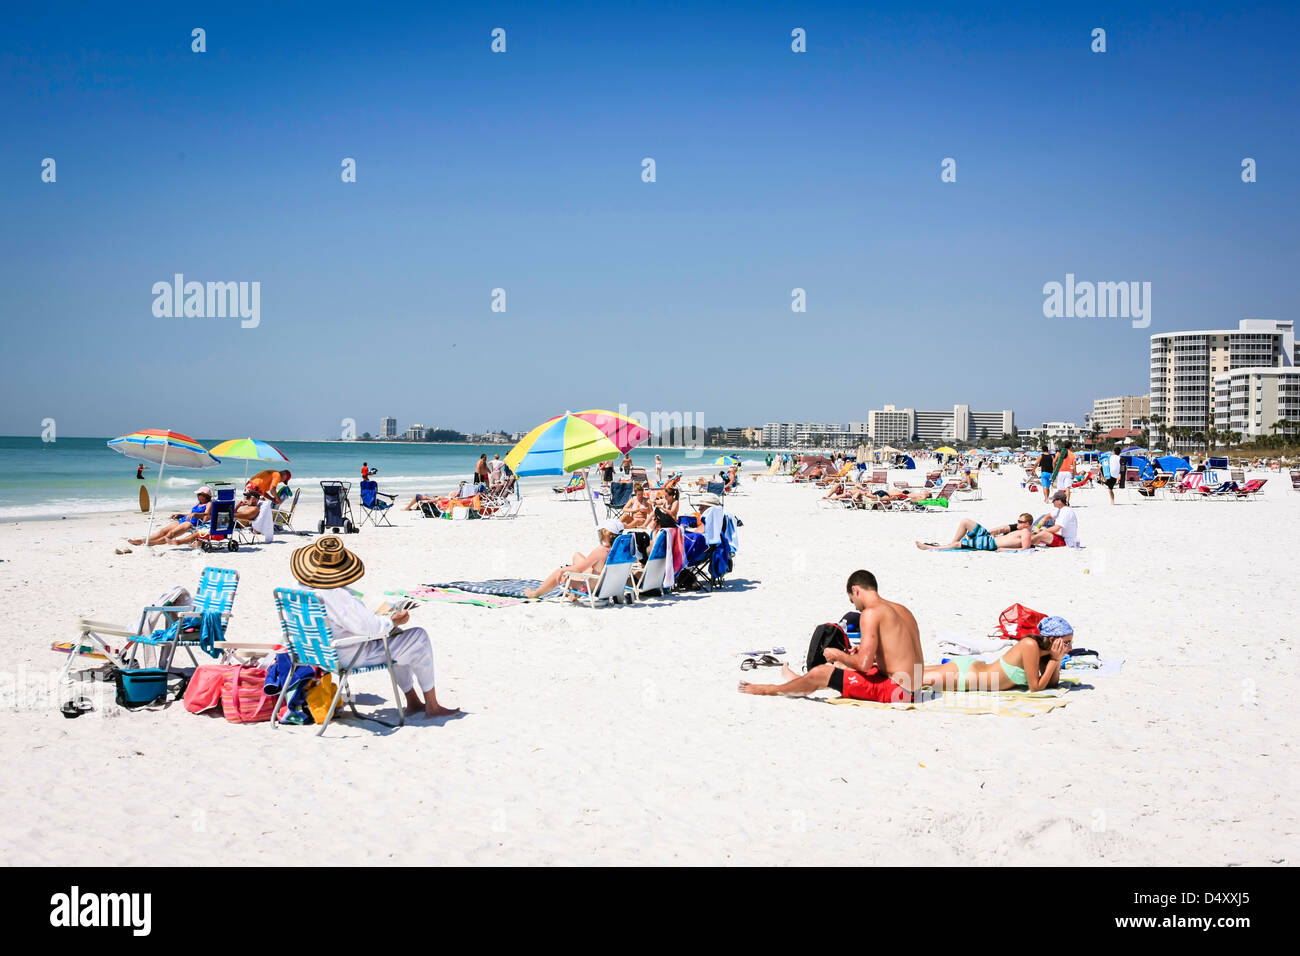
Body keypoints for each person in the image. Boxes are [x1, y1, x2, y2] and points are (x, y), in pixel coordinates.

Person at [290, 536, 458, 719]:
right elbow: (369, 628)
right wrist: (393, 620)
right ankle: (432, 706)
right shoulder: (336, 594)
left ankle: (413, 702)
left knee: (398, 639)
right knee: (418, 637)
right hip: (348, 655)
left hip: (314, 652)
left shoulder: (299, 589)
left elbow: (351, 621)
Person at [739, 570, 921, 703]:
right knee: (841, 668)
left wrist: (837, 653)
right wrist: (870, 654)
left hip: (899, 691)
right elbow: (899, 651)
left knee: (823, 671)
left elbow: (863, 666)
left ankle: (771, 690)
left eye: (852, 601)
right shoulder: (901, 609)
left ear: (856, 590)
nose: (856, 607)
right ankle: (798, 681)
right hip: (913, 685)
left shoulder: (870, 613)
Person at [923, 616, 1073, 692]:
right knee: (909, 677)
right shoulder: (1030, 645)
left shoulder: (1043, 653)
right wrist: (1054, 659)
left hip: (972, 670)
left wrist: (1056, 660)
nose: (1070, 648)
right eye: (1066, 643)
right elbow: (1035, 687)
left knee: (912, 672)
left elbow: (1051, 685)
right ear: (1052, 639)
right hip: (966, 676)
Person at [524, 522, 621, 599]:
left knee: (560, 573)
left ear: (606, 534)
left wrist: (563, 570)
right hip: (607, 585)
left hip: (590, 587)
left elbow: (579, 569)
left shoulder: (602, 550)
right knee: (577, 556)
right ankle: (572, 594)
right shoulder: (620, 550)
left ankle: (535, 594)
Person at [127, 487, 213, 546]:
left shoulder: (209, 504)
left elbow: (207, 515)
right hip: (184, 520)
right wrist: (180, 515)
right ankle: (142, 540)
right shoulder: (199, 503)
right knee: (163, 531)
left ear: (205, 496)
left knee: (170, 534)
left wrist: (195, 514)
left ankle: (150, 543)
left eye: (200, 495)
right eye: (198, 495)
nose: (198, 496)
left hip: (192, 523)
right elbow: (190, 514)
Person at [914, 514, 1038, 551]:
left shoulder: (1026, 532)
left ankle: (930, 547)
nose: (1018, 523)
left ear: (1027, 524)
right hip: (988, 538)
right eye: (1018, 520)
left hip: (991, 544)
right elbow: (1003, 528)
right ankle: (950, 544)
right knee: (965, 521)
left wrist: (1004, 550)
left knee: (959, 545)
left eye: (1020, 522)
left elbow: (1025, 549)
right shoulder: (1019, 529)